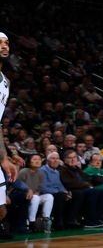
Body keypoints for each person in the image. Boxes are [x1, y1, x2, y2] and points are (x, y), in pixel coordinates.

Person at [0, 32, 18, 239]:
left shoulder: (6, 82)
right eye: (0, 43)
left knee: (1, 209)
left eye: (7, 43)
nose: (5, 46)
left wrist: (4, 158)